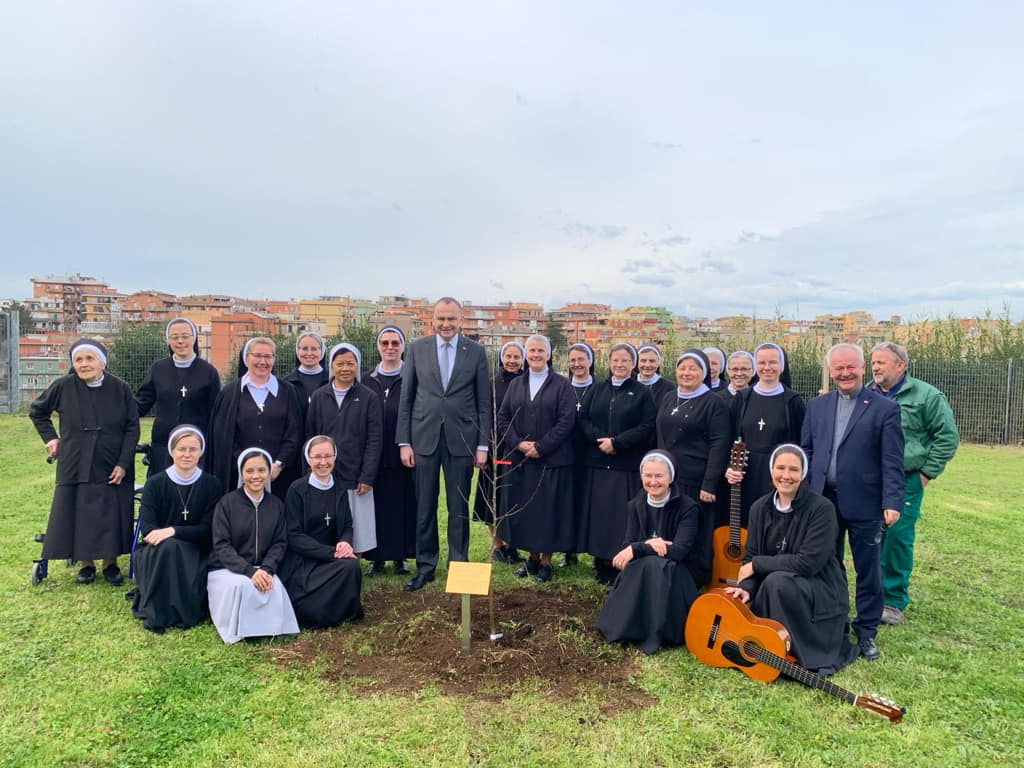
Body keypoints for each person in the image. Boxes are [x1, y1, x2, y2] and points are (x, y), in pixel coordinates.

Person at [801, 343, 904, 661]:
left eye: (850, 367)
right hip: (822, 501)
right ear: (831, 371)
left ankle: (867, 631)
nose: (844, 373)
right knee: (827, 564)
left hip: (865, 502)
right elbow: (806, 450)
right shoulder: (816, 406)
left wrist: (892, 501)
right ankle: (833, 622)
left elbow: (892, 460)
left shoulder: (884, 408)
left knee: (867, 569)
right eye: (838, 368)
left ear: (862, 368)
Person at [724, 444, 860, 675]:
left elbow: (808, 563)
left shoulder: (822, 509)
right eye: (781, 468)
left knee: (777, 582)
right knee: (768, 585)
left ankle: (794, 653)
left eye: (794, 470)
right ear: (771, 471)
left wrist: (758, 565)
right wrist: (746, 588)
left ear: (803, 474)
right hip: (776, 586)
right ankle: (771, 645)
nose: (786, 476)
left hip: (820, 588)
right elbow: (751, 555)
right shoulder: (759, 507)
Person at [396, 297, 492, 591]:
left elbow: (483, 402)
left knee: (457, 508)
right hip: (423, 439)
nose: (446, 324)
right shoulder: (417, 349)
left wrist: (482, 445)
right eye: (441, 319)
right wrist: (404, 442)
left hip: (462, 440)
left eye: (452, 319)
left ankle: (458, 566)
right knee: (424, 507)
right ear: (432, 320)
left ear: (461, 320)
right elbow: (407, 398)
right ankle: (426, 566)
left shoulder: (475, 352)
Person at [29, 339, 140, 586]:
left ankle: (110, 563)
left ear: (102, 362)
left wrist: (123, 462)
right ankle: (86, 563)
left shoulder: (120, 388)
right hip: (75, 459)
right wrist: (50, 439)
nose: (84, 364)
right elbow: (37, 411)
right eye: (79, 360)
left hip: (112, 461)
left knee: (111, 511)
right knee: (79, 511)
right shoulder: (63, 386)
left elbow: (133, 427)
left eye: (90, 358)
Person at [868, 341, 959, 625]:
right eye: (873, 362)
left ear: (901, 365)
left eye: (882, 362)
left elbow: (947, 437)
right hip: (869, 479)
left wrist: (926, 474)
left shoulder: (927, 396)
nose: (876, 367)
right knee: (869, 537)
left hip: (906, 479)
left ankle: (893, 600)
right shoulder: (865, 395)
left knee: (897, 537)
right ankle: (870, 594)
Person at [596, 450, 701, 654]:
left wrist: (641, 547)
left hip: (679, 575)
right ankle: (627, 626)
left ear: (671, 477)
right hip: (645, 569)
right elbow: (628, 544)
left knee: (654, 564)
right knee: (646, 564)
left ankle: (657, 631)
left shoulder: (688, 508)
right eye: (648, 475)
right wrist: (651, 544)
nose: (653, 481)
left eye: (659, 476)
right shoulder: (636, 504)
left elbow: (679, 551)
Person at [496, 335, 576, 582]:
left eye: (541, 350)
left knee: (548, 512)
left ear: (549, 355)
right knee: (527, 512)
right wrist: (518, 443)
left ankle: (546, 562)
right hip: (522, 461)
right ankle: (532, 558)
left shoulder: (562, 385)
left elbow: (566, 421)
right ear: (526, 354)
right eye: (532, 350)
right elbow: (503, 418)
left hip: (551, 461)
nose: (536, 355)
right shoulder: (517, 384)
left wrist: (542, 446)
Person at [130, 425, 225, 633]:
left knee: (173, 546)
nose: (187, 454)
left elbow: (208, 529)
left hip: (196, 550)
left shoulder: (212, 485)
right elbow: (148, 530)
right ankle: (167, 611)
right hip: (155, 551)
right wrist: (168, 536)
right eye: (181, 449)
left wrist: (173, 531)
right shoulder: (155, 484)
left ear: (201, 452)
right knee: (169, 548)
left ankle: (168, 610)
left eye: (193, 449)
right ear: (172, 451)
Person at [577, 342, 656, 584]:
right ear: (608, 363)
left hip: (626, 464)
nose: (620, 365)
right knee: (600, 516)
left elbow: (647, 425)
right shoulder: (597, 388)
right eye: (615, 360)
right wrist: (600, 440)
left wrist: (618, 442)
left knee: (621, 518)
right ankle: (600, 560)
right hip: (598, 462)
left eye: (625, 360)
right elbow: (584, 418)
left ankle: (619, 562)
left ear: (633, 364)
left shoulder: (642, 393)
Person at [207, 448, 299, 644]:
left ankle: (270, 629)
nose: (256, 476)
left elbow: (279, 543)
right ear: (241, 473)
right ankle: (240, 631)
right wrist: (249, 571)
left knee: (272, 587)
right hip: (227, 570)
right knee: (243, 585)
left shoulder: (276, 505)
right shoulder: (227, 503)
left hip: (262, 569)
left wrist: (266, 569)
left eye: (261, 470)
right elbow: (221, 545)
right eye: (249, 471)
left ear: (268, 472)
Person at [655, 349, 730, 587]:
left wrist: (709, 483)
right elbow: (661, 434)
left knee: (695, 533)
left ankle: (692, 580)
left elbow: (719, 444)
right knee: (669, 528)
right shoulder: (669, 397)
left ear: (704, 373)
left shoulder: (713, 403)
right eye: (682, 368)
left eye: (693, 368)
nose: (686, 373)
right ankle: (667, 574)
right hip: (670, 478)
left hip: (697, 481)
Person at [279, 436, 363, 628]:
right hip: (303, 558)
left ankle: (341, 611)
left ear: (335, 457)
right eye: (317, 457)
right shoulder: (297, 489)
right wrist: (330, 552)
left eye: (328, 456)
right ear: (308, 459)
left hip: (332, 556)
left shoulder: (340, 487)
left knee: (351, 567)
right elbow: (293, 535)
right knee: (309, 601)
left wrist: (344, 542)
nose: (323, 462)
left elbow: (348, 524)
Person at [306, 343, 382, 555]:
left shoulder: (368, 397)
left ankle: (351, 567)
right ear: (331, 366)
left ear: (357, 365)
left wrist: (367, 476)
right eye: (340, 364)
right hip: (325, 474)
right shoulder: (320, 396)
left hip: (356, 475)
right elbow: (311, 436)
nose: (345, 368)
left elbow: (375, 440)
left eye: (350, 363)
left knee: (357, 529)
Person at [206, 337, 303, 501]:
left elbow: (294, 432)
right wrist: (247, 466)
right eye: (257, 355)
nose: (262, 361)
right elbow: (223, 436)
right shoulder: (229, 394)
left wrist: (279, 464)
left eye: (268, 356)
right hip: (238, 475)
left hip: (279, 476)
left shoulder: (288, 391)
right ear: (246, 358)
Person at [723, 342, 806, 527]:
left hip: (778, 476)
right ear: (755, 367)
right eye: (761, 363)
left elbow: (801, 444)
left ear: (781, 366)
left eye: (773, 363)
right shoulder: (742, 398)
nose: (767, 368)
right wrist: (729, 467)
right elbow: (729, 438)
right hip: (745, 473)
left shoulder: (792, 401)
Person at [361, 326, 416, 576]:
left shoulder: (413, 376)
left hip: (404, 453)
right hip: (373, 456)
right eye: (385, 343)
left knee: (403, 507)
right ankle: (376, 557)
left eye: (395, 342)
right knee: (376, 508)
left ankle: (401, 556)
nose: (390, 347)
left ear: (403, 346)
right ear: (378, 347)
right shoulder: (366, 379)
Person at [135, 318, 221, 475]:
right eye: (174, 337)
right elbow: (142, 403)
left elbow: (216, 414)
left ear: (194, 338)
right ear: (168, 341)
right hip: (163, 445)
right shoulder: (158, 369)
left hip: (196, 449)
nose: (180, 341)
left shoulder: (209, 372)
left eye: (185, 336)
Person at [474, 341, 526, 565]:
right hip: (495, 450)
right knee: (492, 500)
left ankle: (512, 544)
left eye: (516, 356)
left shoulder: (527, 383)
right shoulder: (490, 384)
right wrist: (483, 447)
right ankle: (498, 545)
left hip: (519, 451)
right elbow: (482, 417)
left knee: (514, 499)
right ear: (501, 358)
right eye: (509, 356)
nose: (512, 361)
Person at [560, 342, 595, 569]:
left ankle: (595, 551)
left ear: (590, 361)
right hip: (566, 454)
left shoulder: (601, 387)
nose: (577, 364)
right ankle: (568, 551)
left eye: (581, 359)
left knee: (591, 505)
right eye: (573, 360)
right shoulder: (562, 387)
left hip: (593, 456)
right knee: (568, 504)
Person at [282, 331, 329, 437]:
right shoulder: (286, 383)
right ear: (297, 351)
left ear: (322, 351)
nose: (309, 353)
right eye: (304, 348)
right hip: (295, 444)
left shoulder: (332, 381)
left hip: (326, 444)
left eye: (314, 349)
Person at [636, 345, 675, 409]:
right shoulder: (629, 383)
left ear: (658, 363)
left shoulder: (669, 387)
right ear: (637, 362)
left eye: (652, 361)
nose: (647, 365)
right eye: (643, 361)